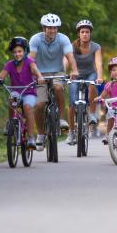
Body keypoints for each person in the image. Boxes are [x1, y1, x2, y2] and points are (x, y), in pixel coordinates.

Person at [29, 13, 79, 151]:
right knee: (39, 105)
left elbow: (70, 56)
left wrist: (74, 70)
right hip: (40, 73)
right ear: (44, 28)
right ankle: (40, 134)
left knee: (58, 88)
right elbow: (31, 59)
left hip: (57, 72)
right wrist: (32, 74)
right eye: (49, 28)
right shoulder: (35, 39)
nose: (52, 30)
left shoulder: (63, 39)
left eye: (55, 28)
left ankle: (61, 118)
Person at [0, 36, 44, 149]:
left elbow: (35, 70)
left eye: (20, 51)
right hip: (16, 93)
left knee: (27, 107)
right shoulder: (10, 64)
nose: (17, 54)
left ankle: (31, 138)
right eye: (15, 52)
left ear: (25, 51)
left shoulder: (30, 62)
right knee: (11, 100)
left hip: (29, 92)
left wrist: (39, 77)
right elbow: (2, 75)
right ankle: (10, 123)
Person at [65, 19, 103, 145]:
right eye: (82, 32)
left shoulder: (96, 47)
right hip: (76, 74)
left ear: (90, 33)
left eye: (87, 32)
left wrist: (100, 76)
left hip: (90, 73)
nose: (85, 34)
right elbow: (66, 61)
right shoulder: (72, 46)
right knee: (71, 103)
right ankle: (71, 132)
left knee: (92, 85)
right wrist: (62, 73)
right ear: (79, 34)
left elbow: (98, 62)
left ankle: (92, 115)